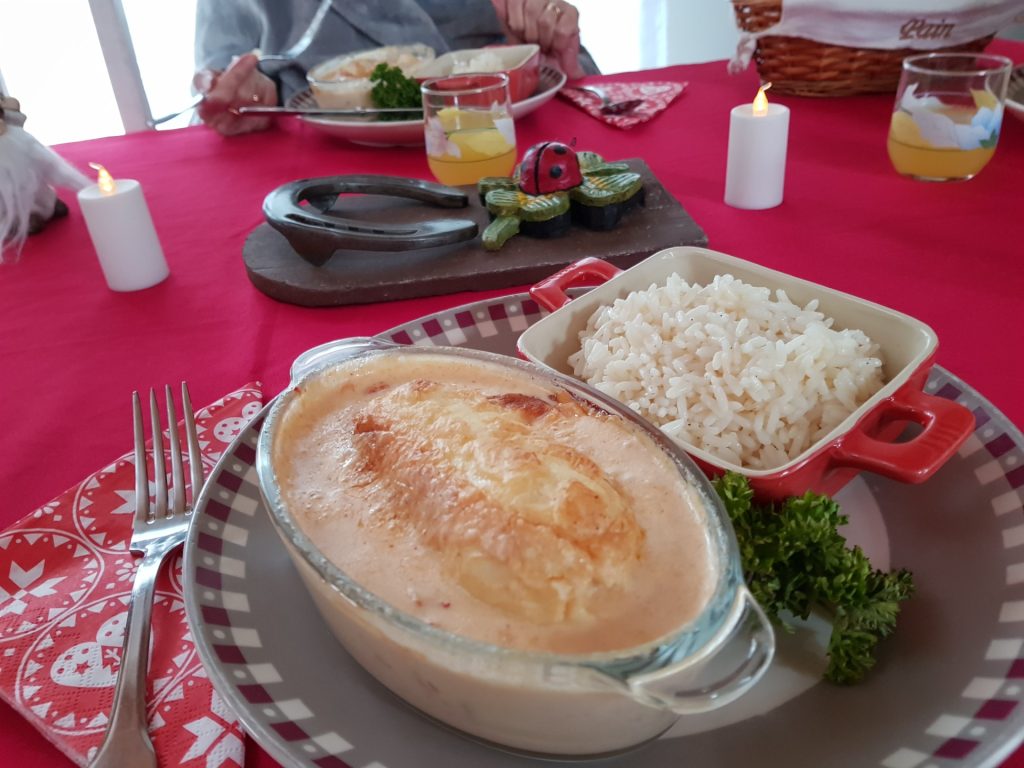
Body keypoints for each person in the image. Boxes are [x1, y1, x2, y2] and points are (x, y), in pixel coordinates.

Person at [193, 0, 595, 136]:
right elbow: (224, 80)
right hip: (323, 158)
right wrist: (246, 94)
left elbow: (575, 71)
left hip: (500, 131)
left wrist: (550, 44)